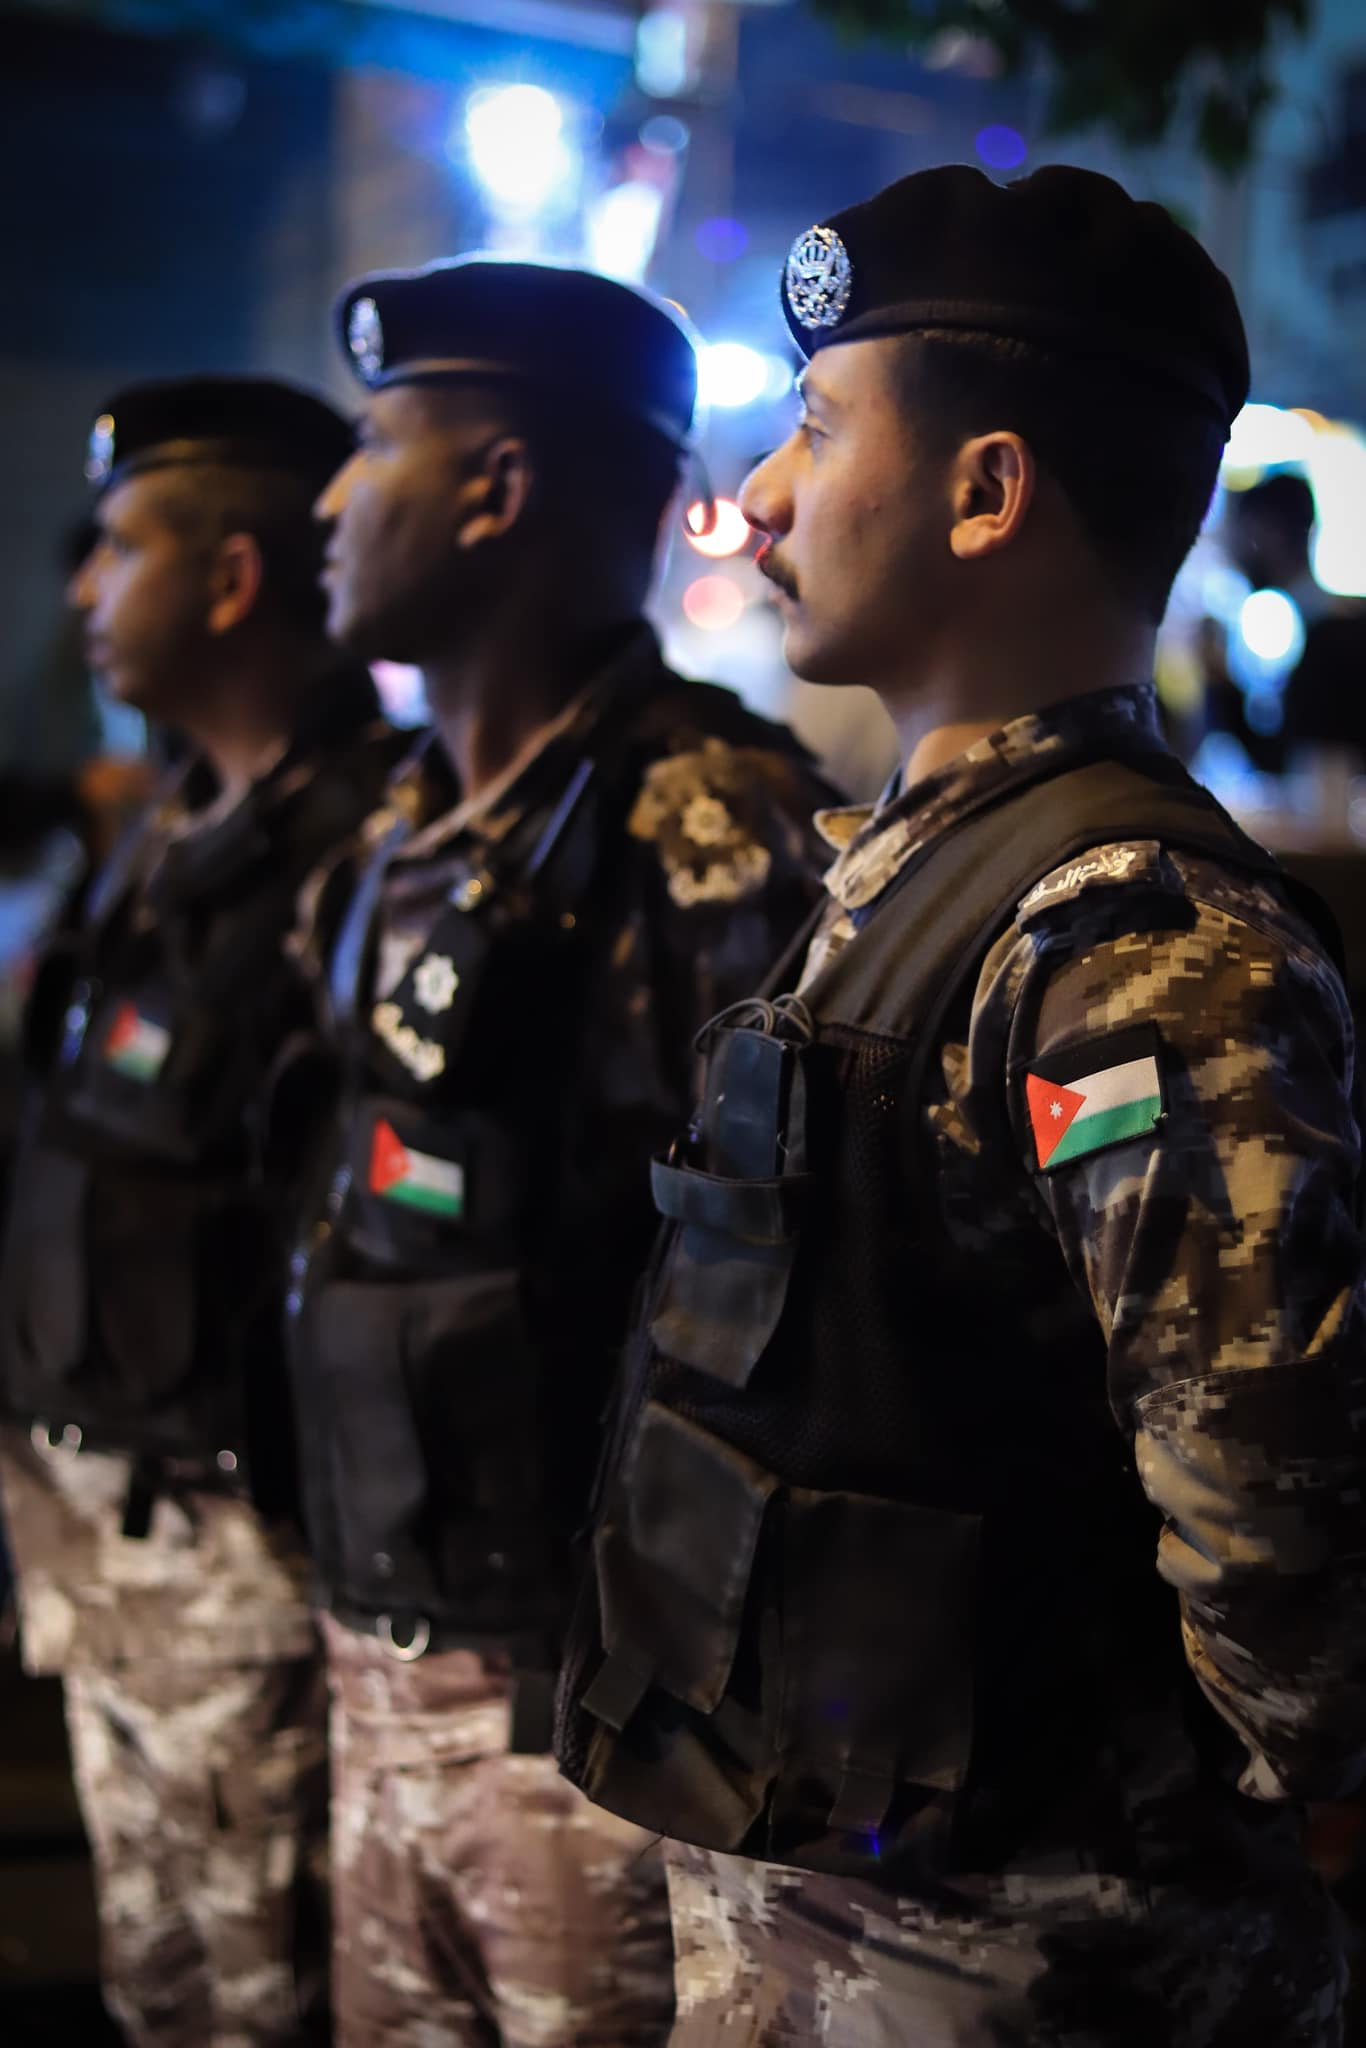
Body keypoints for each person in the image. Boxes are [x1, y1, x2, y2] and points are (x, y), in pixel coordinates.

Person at [556, 165, 1366, 2043]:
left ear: (987, 492)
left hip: (1020, 1960)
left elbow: (1279, 1566)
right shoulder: (923, 873)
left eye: (818, 427)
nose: (760, 492)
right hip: (844, 1917)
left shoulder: (1135, 946)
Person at [290, 256, 836, 2046]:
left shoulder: (715, 830)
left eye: (372, 447)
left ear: (496, 488)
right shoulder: (389, 829)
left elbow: (799, 1323)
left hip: (591, 1728)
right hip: (381, 1658)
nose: (326, 503)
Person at [0, 377, 404, 2047]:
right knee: (158, 1995)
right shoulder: (168, 823)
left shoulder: (369, 849)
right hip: (106, 1539)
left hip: (245, 1557)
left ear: (234, 578)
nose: (86, 587)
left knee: (259, 2005)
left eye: (120, 549)